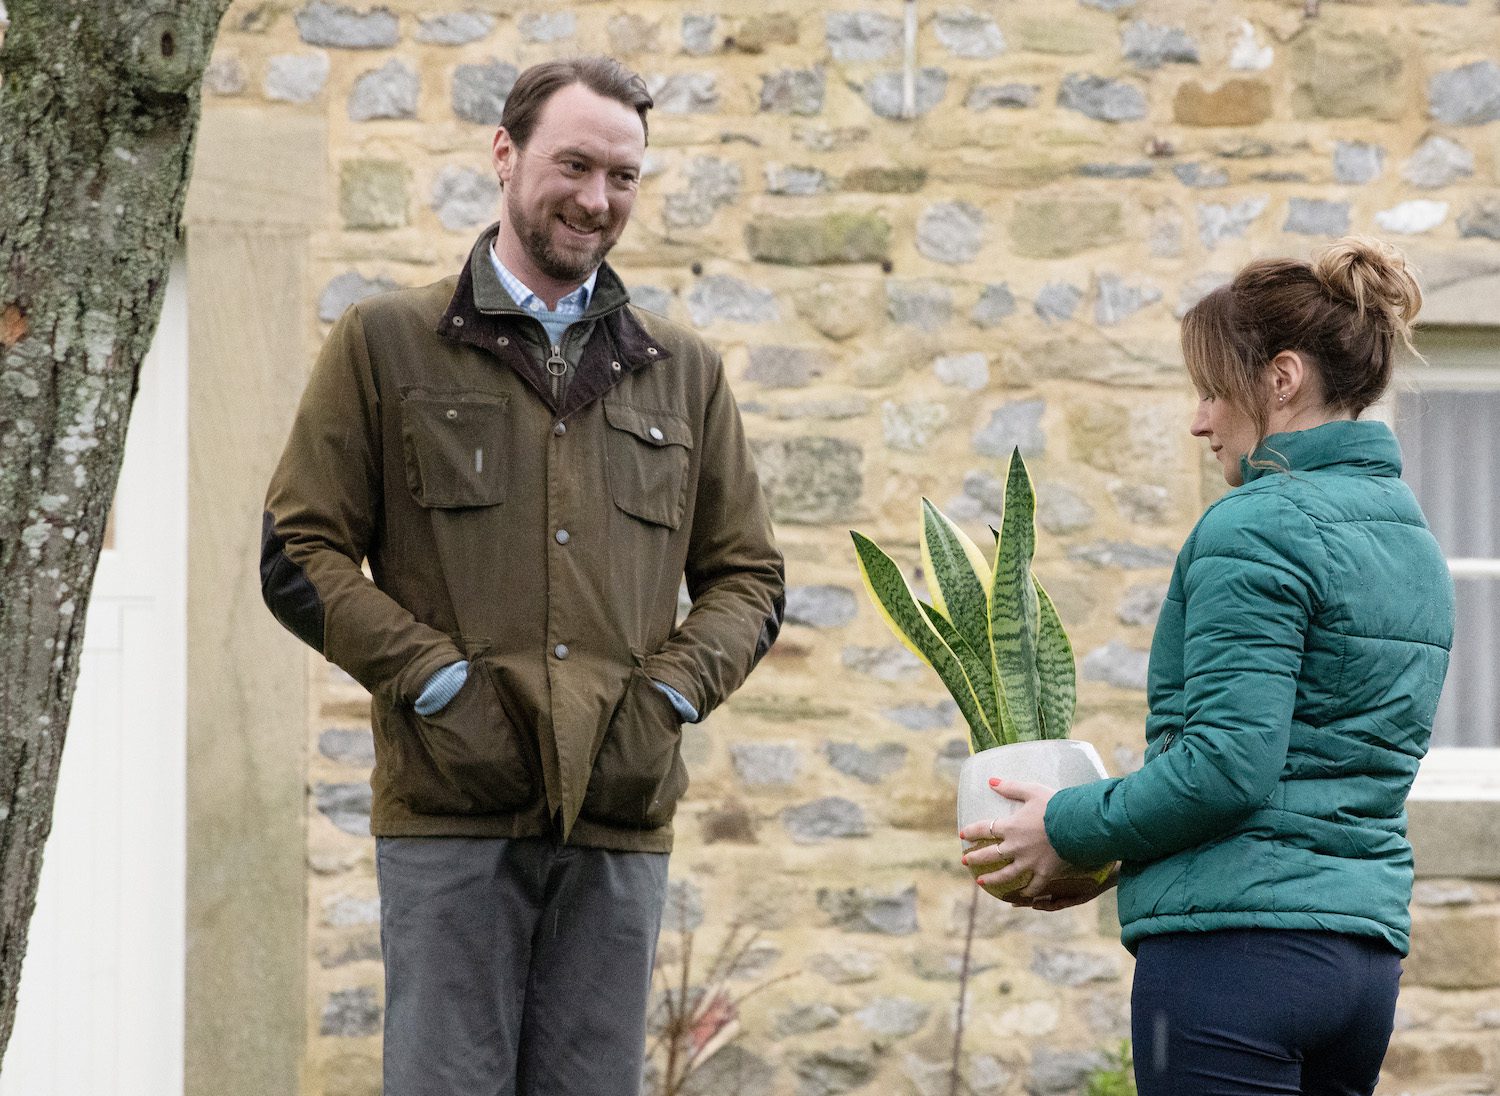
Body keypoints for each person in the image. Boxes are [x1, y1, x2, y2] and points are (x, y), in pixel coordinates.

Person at [260, 56, 784, 1096]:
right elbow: (297, 553)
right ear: (505, 155)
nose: (597, 199)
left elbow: (751, 579)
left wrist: (668, 695)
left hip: (619, 812)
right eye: (574, 164)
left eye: (623, 176)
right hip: (452, 806)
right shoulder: (386, 344)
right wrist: (441, 684)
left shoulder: (683, 373)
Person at [960, 237, 1454, 1096]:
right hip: (1361, 965)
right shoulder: (1410, 538)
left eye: (1211, 389)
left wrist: (1066, 825)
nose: (1200, 420)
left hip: (1234, 962)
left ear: (1282, 379)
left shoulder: (1255, 524)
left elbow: (1229, 764)